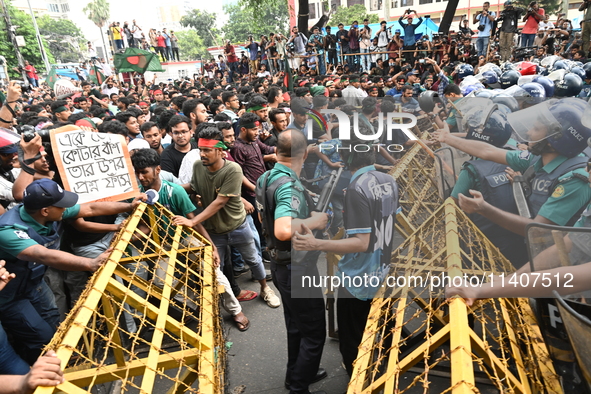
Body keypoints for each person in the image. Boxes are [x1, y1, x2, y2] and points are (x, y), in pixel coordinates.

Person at [0, 140, 144, 365]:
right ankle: (40, 375)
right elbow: (44, 255)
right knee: (40, 336)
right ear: (46, 211)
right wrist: (90, 263)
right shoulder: (9, 230)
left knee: (54, 320)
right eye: (61, 205)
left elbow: (91, 208)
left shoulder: (45, 212)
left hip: (35, 283)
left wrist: (129, 206)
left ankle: (60, 362)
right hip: (10, 294)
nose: (66, 208)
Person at [293, 133, 399, 377]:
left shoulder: (355, 187)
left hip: (358, 276)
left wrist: (316, 244)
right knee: (380, 322)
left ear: (344, 157)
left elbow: (361, 243)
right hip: (382, 268)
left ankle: (358, 376)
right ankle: (383, 363)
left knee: (352, 335)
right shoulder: (388, 179)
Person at [433, 98, 591, 239]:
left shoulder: (575, 180)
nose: (528, 132)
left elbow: (538, 230)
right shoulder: (536, 157)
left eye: (536, 129)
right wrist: (448, 138)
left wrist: (484, 209)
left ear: (554, 140)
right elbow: (488, 151)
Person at [171, 126, 280, 309]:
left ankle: (265, 288)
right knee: (216, 270)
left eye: (207, 150)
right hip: (214, 231)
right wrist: (170, 188)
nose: (202, 155)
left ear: (220, 151)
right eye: (201, 150)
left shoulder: (233, 169)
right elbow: (194, 186)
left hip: (238, 226)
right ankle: (223, 305)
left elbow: (220, 202)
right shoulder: (198, 166)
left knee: (254, 260)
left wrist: (192, 221)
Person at [256, 129, 328, 394]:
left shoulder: (266, 177)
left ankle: (296, 374)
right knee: (314, 333)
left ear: (275, 152)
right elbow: (283, 229)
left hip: (280, 265)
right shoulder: (288, 185)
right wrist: (314, 221)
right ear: (306, 153)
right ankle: (299, 386)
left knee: (296, 326)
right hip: (296, 267)